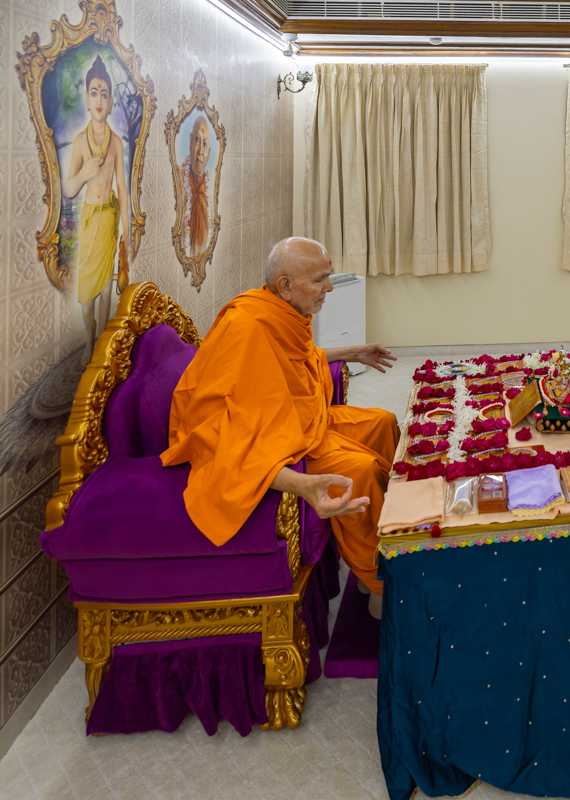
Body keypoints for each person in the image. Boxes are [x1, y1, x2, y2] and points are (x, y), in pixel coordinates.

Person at [161, 237, 400, 618]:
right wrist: (301, 484)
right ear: (285, 285)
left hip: (296, 422)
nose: (329, 287)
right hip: (272, 442)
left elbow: (298, 357)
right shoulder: (245, 327)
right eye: (319, 280)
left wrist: (353, 352)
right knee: (362, 471)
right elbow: (221, 432)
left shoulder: (279, 310)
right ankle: (381, 583)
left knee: (382, 423)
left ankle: (392, 538)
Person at [63, 56, 130, 365]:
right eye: (94, 92)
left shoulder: (116, 143)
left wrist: (127, 230)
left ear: (111, 100)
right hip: (90, 219)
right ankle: (90, 329)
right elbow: (69, 188)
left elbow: (122, 188)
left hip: (108, 219)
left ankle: (98, 343)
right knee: (86, 301)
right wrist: (84, 174)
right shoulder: (80, 142)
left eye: (104, 93)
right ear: (87, 99)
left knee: (105, 291)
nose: (100, 99)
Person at [181, 114, 211, 255]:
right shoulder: (180, 179)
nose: (200, 151)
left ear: (208, 153)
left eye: (204, 144)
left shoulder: (209, 192)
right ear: (190, 142)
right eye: (197, 140)